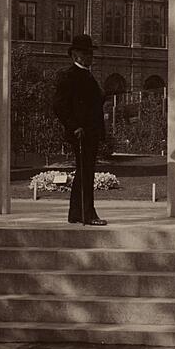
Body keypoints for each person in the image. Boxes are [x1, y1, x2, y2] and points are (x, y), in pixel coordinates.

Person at [52, 34, 106, 226]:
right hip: (81, 132)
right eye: (86, 53)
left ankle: (76, 213)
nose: (90, 56)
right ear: (75, 55)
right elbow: (59, 105)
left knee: (84, 171)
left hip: (90, 131)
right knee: (85, 172)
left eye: (91, 53)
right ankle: (87, 214)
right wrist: (74, 126)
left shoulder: (86, 75)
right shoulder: (70, 76)